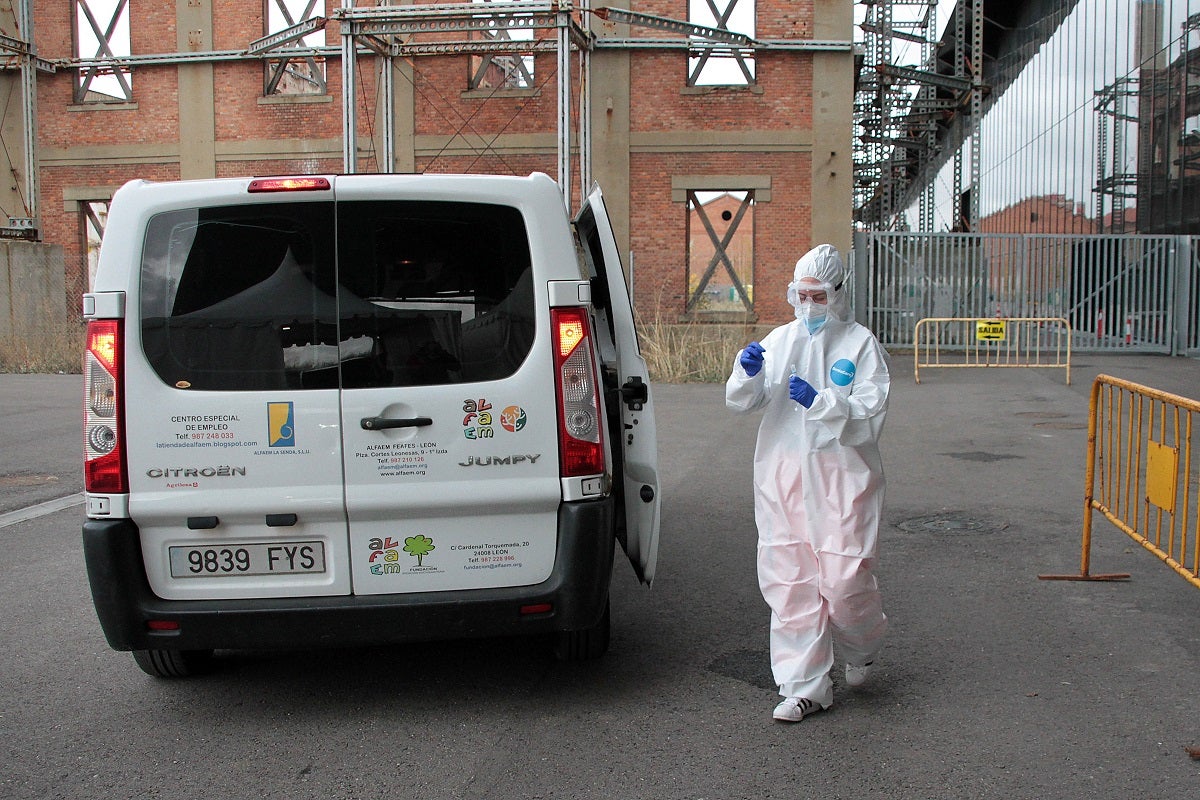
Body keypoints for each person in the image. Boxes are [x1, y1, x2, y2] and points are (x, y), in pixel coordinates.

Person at [726, 243, 890, 723]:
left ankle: (863, 647)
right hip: (784, 481)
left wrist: (821, 402)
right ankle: (804, 688)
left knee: (846, 582)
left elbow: (869, 414)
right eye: (802, 295)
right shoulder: (780, 341)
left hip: (843, 481)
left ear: (838, 293)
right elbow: (743, 401)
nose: (809, 305)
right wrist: (747, 374)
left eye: (819, 296)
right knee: (791, 584)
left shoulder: (860, 344)